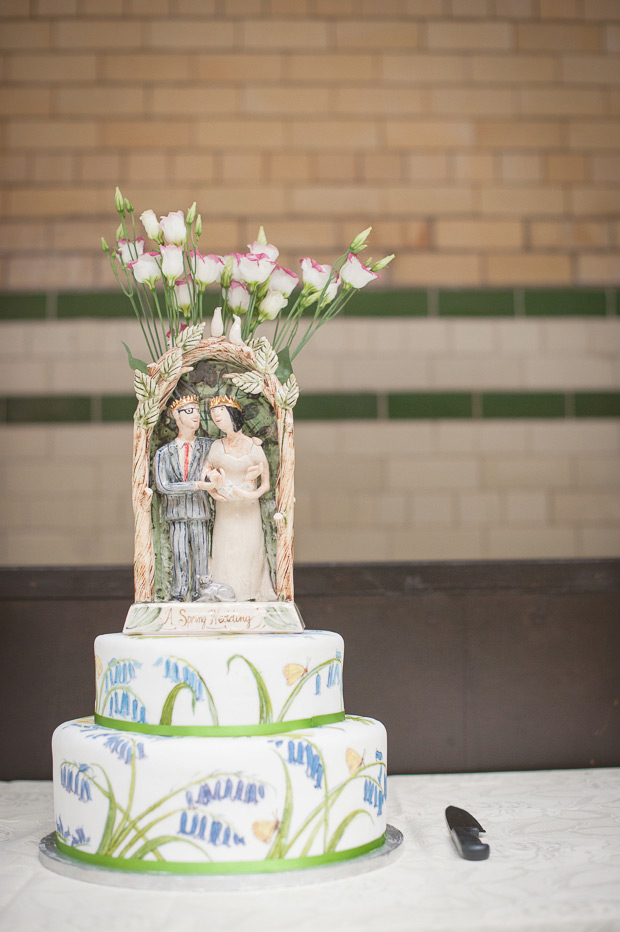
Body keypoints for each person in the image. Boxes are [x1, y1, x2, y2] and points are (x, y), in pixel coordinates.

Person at [205, 395, 277, 602]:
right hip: (226, 507)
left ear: (233, 414)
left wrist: (249, 494)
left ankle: (249, 592)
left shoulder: (254, 447)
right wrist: (213, 490)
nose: (216, 416)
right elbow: (206, 471)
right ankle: (224, 591)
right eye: (213, 414)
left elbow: (265, 484)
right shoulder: (217, 447)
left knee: (248, 546)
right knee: (226, 546)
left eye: (221, 412)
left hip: (248, 507)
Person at [154, 393, 224, 602]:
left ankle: (200, 593)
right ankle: (178, 593)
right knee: (180, 555)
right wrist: (196, 485)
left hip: (200, 511)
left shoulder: (208, 446)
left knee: (202, 554)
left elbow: (228, 449)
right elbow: (163, 486)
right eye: (189, 411)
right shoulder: (163, 453)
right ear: (177, 416)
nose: (196, 416)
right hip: (176, 514)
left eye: (197, 411)